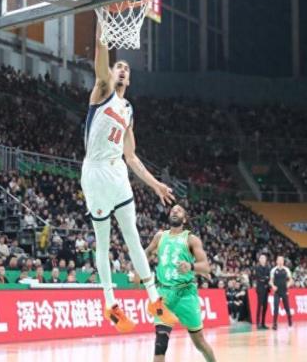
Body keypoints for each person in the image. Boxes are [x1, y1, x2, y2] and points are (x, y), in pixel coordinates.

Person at [80, 23, 176, 332]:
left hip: (117, 172)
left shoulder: (129, 110)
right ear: (111, 72)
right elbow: (100, 51)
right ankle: (110, 304)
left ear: (130, 79)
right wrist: (102, 23)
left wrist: (155, 184)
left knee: (132, 236)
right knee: (103, 241)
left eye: (126, 69)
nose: (122, 70)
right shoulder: (102, 90)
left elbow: (131, 156)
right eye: (118, 66)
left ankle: (154, 301)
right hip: (95, 172)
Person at [145, 205, 216, 362]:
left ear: (184, 219)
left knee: (200, 343)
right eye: (172, 210)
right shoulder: (160, 237)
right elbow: (146, 252)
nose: (175, 211)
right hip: (164, 295)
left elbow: (206, 266)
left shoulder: (191, 239)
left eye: (179, 210)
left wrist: (191, 266)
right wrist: (139, 270)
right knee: (160, 345)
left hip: (186, 295)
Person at [270, 256, 293, 329]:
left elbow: (291, 280)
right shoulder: (273, 270)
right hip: (277, 292)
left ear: (283, 261)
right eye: (279, 260)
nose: (280, 261)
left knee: (287, 308)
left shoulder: (286, 269)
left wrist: (288, 285)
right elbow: (271, 281)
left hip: (284, 291)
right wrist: (273, 286)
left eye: (281, 260)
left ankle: (290, 323)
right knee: (276, 308)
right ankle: (274, 324)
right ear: (276, 261)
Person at [254, 254, 271, 329]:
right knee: (259, 305)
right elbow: (260, 278)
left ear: (266, 259)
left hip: (266, 289)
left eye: (264, 258)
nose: (263, 259)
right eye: (261, 258)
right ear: (259, 260)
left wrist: (266, 278)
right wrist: (266, 278)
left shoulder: (268, 268)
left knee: (265, 306)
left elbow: (269, 277)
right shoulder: (257, 268)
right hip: (260, 289)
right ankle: (258, 323)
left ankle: (263, 323)